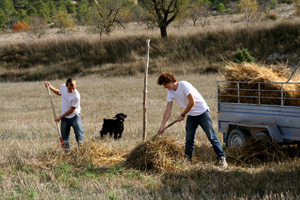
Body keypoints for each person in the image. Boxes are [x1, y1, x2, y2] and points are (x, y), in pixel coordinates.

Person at [157, 72, 227, 168]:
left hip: (203, 113)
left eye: (165, 84)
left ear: (170, 81)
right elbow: (168, 110)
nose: (164, 87)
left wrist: (183, 114)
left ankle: (221, 158)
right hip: (191, 115)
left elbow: (192, 102)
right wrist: (162, 126)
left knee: (211, 137)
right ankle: (188, 160)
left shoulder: (184, 85)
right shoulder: (170, 93)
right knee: (189, 139)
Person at [44, 78, 84, 151]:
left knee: (79, 136)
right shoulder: (63, 87)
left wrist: (60, 117)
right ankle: (67, 153)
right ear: (66, 86)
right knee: (64, 139)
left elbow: (72, 110)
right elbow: (59, 92)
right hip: (65, 118)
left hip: (75, 116)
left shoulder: (76, 96)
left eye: (73, 88)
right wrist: (49, 87)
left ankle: (82, 152)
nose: (71, 90)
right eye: (69, 88)